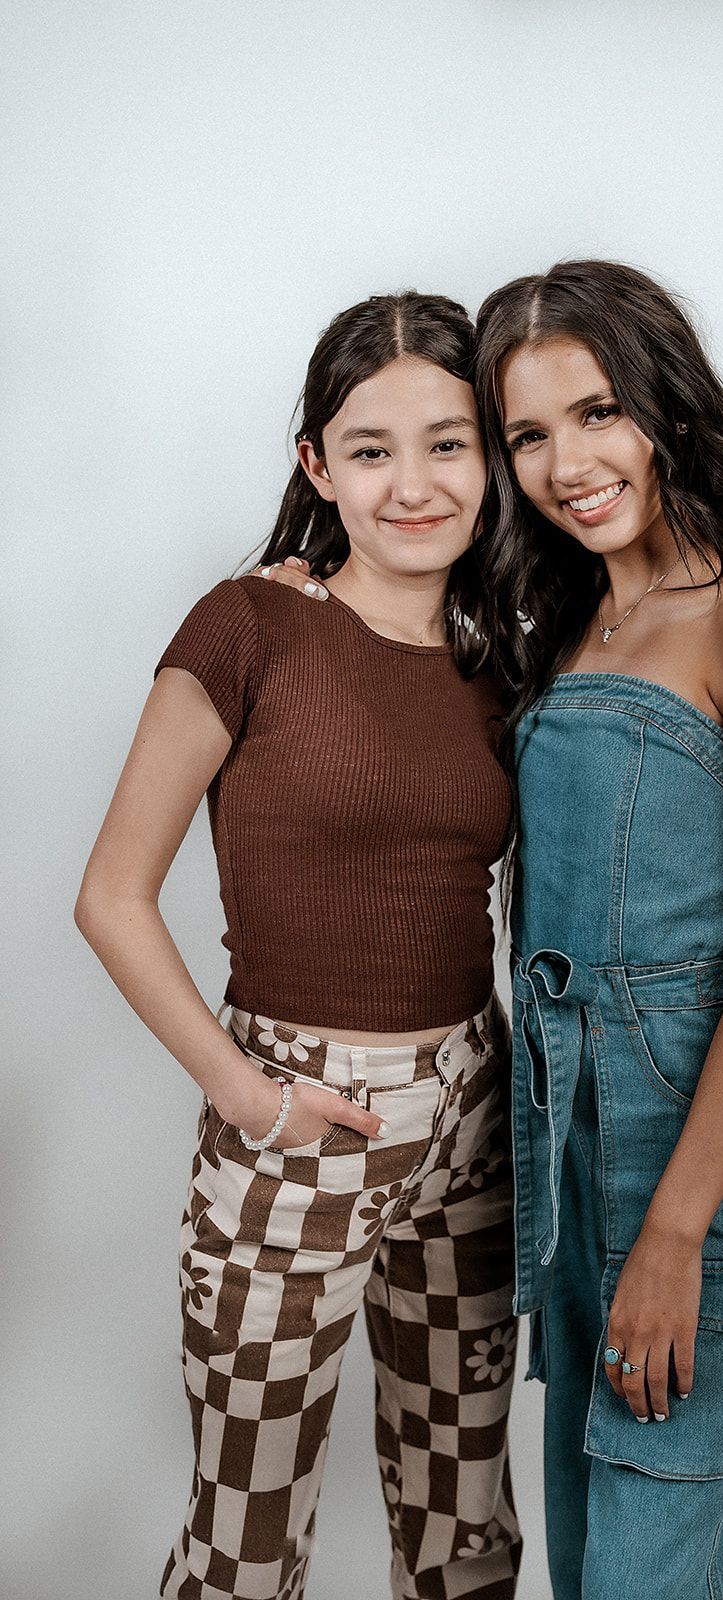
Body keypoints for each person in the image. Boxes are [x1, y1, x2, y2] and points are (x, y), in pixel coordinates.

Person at [74, 293, 523, 1600]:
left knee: (467, 1534)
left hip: (476, 1118)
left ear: (491, 456)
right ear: (318, 466)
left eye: (448, 443)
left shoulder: (509, 649)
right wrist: (249, 1097)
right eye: (372, 450)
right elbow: (111, 894)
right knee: (246, 1544)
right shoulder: (249, 626)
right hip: (298, 1123)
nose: (413, 485)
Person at [469, 258, 723, 1600]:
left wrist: (676, 1233)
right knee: (603, 1560)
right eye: (528, 433)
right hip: (563, 1136)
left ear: (665, 406)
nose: (567, 464)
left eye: (597, 413)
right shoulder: (562, 620)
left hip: (703, 1142)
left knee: (650, 1561)